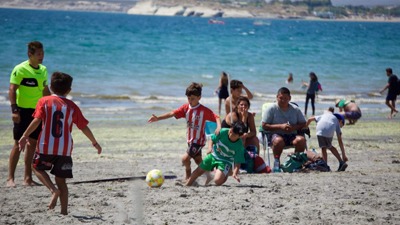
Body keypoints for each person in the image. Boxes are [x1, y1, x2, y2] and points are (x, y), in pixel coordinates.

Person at [18, 72, 102, 215]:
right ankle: (64, 212)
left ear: (50, 87)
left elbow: (36, 121)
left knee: (35, 167)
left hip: (46, 146)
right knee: (61, 180)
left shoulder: (44, 101)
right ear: (69, 90)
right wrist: (94, 143)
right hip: (65, 149)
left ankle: (52, 190)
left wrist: (25, 135)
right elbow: (83, 127)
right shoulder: (72, 106)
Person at [148, 82, 221, 182]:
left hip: (198, 141)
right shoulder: (186, 108)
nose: (190, 101)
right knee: (198, 160)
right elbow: (172, 113)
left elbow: (216, 117)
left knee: (185, 159)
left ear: (199, 97)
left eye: (193, 99)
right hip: (190, 140)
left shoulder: (203, 111)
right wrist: (158, 118)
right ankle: (209, 175)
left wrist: (219, 127)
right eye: (188, 98)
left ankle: (188, 173)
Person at [7, 41, 51, 187]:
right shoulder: (20, 69)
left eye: (42, 53)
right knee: (18, 144)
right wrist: (14, 110)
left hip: (37, 113)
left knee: (32, 144)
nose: (41, 56)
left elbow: (44, 90)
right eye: (38, 54)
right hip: (21, 111)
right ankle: (10, 179)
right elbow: (12, 90)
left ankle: (27, 178)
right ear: (29, 55)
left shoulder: (43, 70)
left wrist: (52, 104)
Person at [186, 121, 246, 186]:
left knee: (217, 181)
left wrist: (235, 173)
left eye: (234, 134)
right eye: (231, 130)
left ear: (240, 136)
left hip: (225, 161)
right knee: (197, 171)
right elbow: (212, 139)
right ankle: (187, 184)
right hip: (214, 155)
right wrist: (210, 148)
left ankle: (225, 174)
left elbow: (238, 162)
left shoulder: (239, 146)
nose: (230, 133)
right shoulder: (222, 132)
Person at [261, 87, 307, 165]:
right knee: (278, 140)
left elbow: (303, 123)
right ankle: (277, 162)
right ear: (277, 97)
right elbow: (264, 125)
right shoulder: (271, 109)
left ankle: (296, 162)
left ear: (289, 98)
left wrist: (293, 128)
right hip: (275, 135)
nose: (283, 100)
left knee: (301, 140)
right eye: (281, 98)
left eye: (285, 98)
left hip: (292, 134)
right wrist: (280, 126)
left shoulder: (295, 109)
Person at [306, 107, 348, 171]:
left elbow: (309, 119)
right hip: (328, 131)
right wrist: (343, 155)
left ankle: (325, 165)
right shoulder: (336, 120)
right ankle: (340, 162)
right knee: (329, 146)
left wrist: (305, 127)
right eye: (341, 126)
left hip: (320, 130)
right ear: (340, 121)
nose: (340, 127)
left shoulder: (323, 116)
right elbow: (340, 141)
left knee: (324, 147)